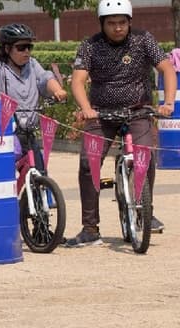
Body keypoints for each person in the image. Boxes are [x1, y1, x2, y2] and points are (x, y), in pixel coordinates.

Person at [67, 0, 175, 246]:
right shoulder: (89, 46)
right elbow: (78, 80)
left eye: (122, 22)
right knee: (88, 162)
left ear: (130, 22)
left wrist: (167, 102)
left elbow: (166, 69)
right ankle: (90, 227)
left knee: (144, 156)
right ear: (102, 24)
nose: (118, 28)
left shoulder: (143, 39)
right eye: (111, 23)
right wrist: (86, 109)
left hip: (138, 110)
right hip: (101, 114)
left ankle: (144, 210)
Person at [0, 24, 68, 174]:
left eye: (29, 47)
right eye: (21, 48)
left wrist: (58, 91)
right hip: (6, 134)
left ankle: (35, 195)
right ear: (7, 49)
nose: (27, 52)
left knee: (40, 173)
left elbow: (45, 78)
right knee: (3, 176)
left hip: (27, 132)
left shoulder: (32, 64)